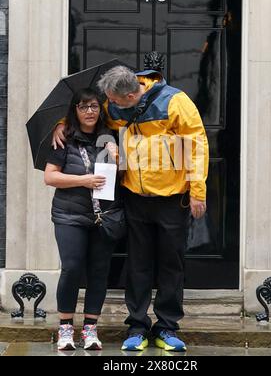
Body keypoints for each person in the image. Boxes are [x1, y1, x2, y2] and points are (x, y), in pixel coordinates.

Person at [53, 66, 209, 352]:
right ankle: (137, 326)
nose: (107, 106)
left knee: (171, 265)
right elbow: (90, 117)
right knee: (138, 264)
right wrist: (62, 123)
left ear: (129, 95)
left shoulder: (176, 102)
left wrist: (198, 191)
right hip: (134, 196)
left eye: (113, 101)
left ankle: (167, 327)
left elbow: (196, 146)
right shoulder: (114, 104)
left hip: (172, 198)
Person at [45, 88, 119, 351]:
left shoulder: (111, 137)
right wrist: (83, 181)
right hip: (69, 215)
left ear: (101, 110)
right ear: (74, 110)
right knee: (72, 267)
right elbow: (50, 177)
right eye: (83, 107)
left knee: (99, 273)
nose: (89, 112)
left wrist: (118, 155)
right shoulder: (64, 136)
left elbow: (123, 176)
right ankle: (66, 328)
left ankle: (90, 329)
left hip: (103, 217)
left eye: (94, 107)